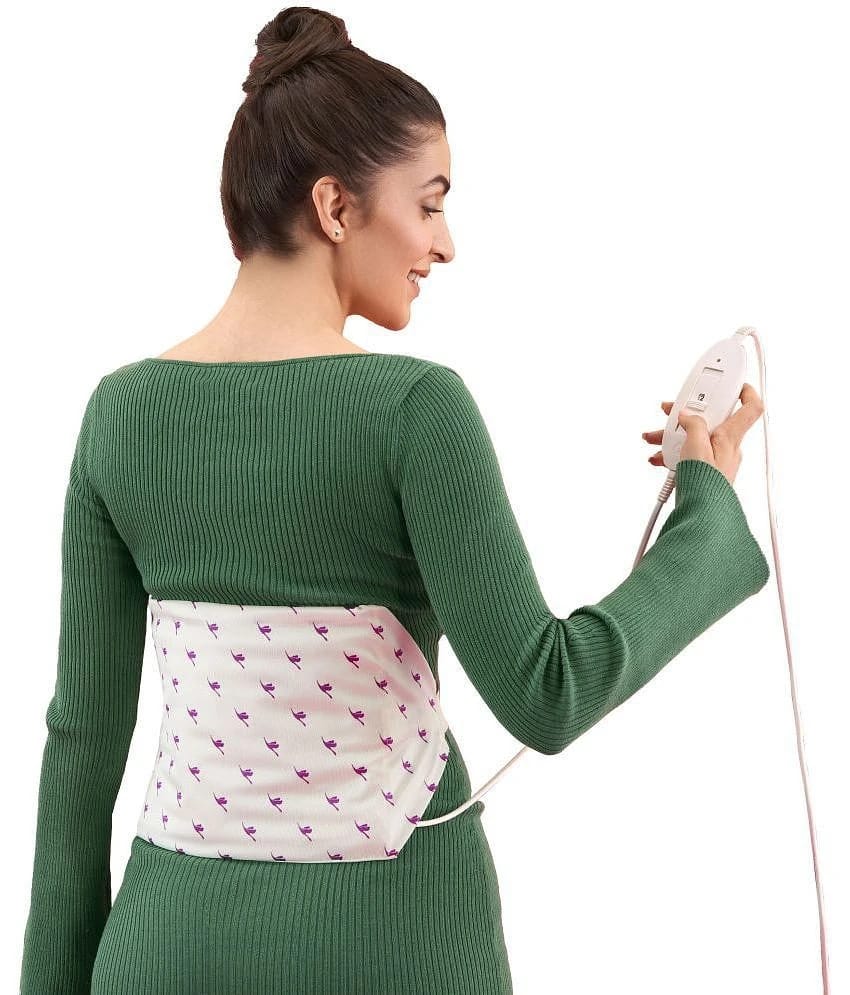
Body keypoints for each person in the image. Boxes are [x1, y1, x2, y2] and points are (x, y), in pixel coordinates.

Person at [19, 7, 769, 994]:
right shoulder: (414, 407)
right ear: (336, 206)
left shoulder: (121, 413)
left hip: (166, 949)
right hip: (397, 948)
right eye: (429, 204)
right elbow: (548, 691)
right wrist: (706, 513)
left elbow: (82, 744)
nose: (444, 244)